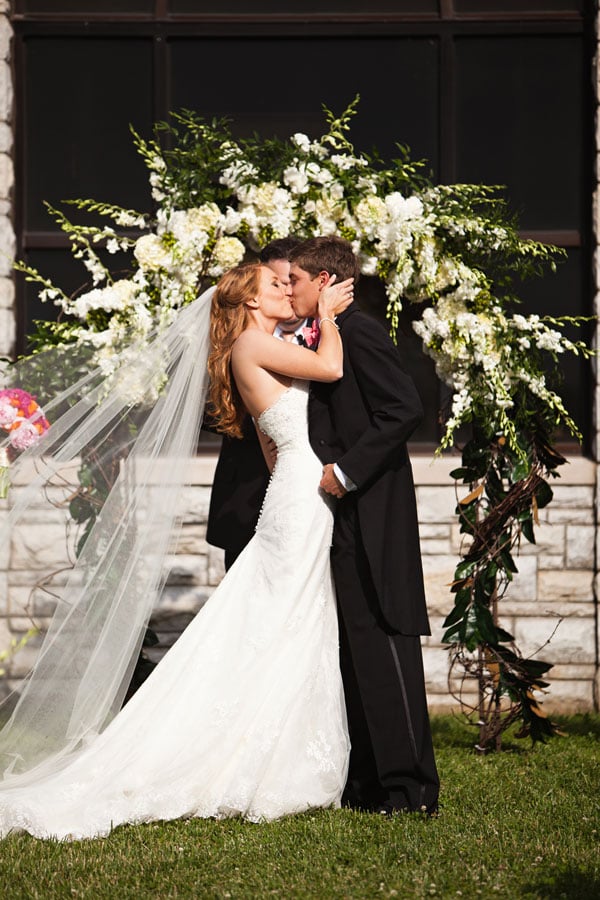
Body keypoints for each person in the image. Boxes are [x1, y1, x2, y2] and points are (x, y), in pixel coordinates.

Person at [0, 262, 354, 840]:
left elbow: (274, 442)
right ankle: (258, 760)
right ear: (247, 302)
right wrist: (326, 316)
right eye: (273, 286)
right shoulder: (249, 345)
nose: (286, 290)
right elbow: (331, 367)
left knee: (287, 617)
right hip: (299, 494)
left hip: (295, 491)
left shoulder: (263, 343)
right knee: (282, 617)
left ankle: (280, 751)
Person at [288, 235, 440, 816]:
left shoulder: (363, 330)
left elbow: (404, 407)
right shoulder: (323, 331)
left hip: (371, 507)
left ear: (323, 282)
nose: (290, 289)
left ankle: (412, 790)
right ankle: (371, 784)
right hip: (340, 515)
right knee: (356, 647)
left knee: (386, 641)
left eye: (296, 280)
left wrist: (347, 473)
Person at [206, 238, 306, 570]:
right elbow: (210, 411)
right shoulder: (232, 345)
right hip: (246, 502)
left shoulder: (327, 336)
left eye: (293, 282)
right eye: (279, 282)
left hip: (307, 497)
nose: (289, 291)